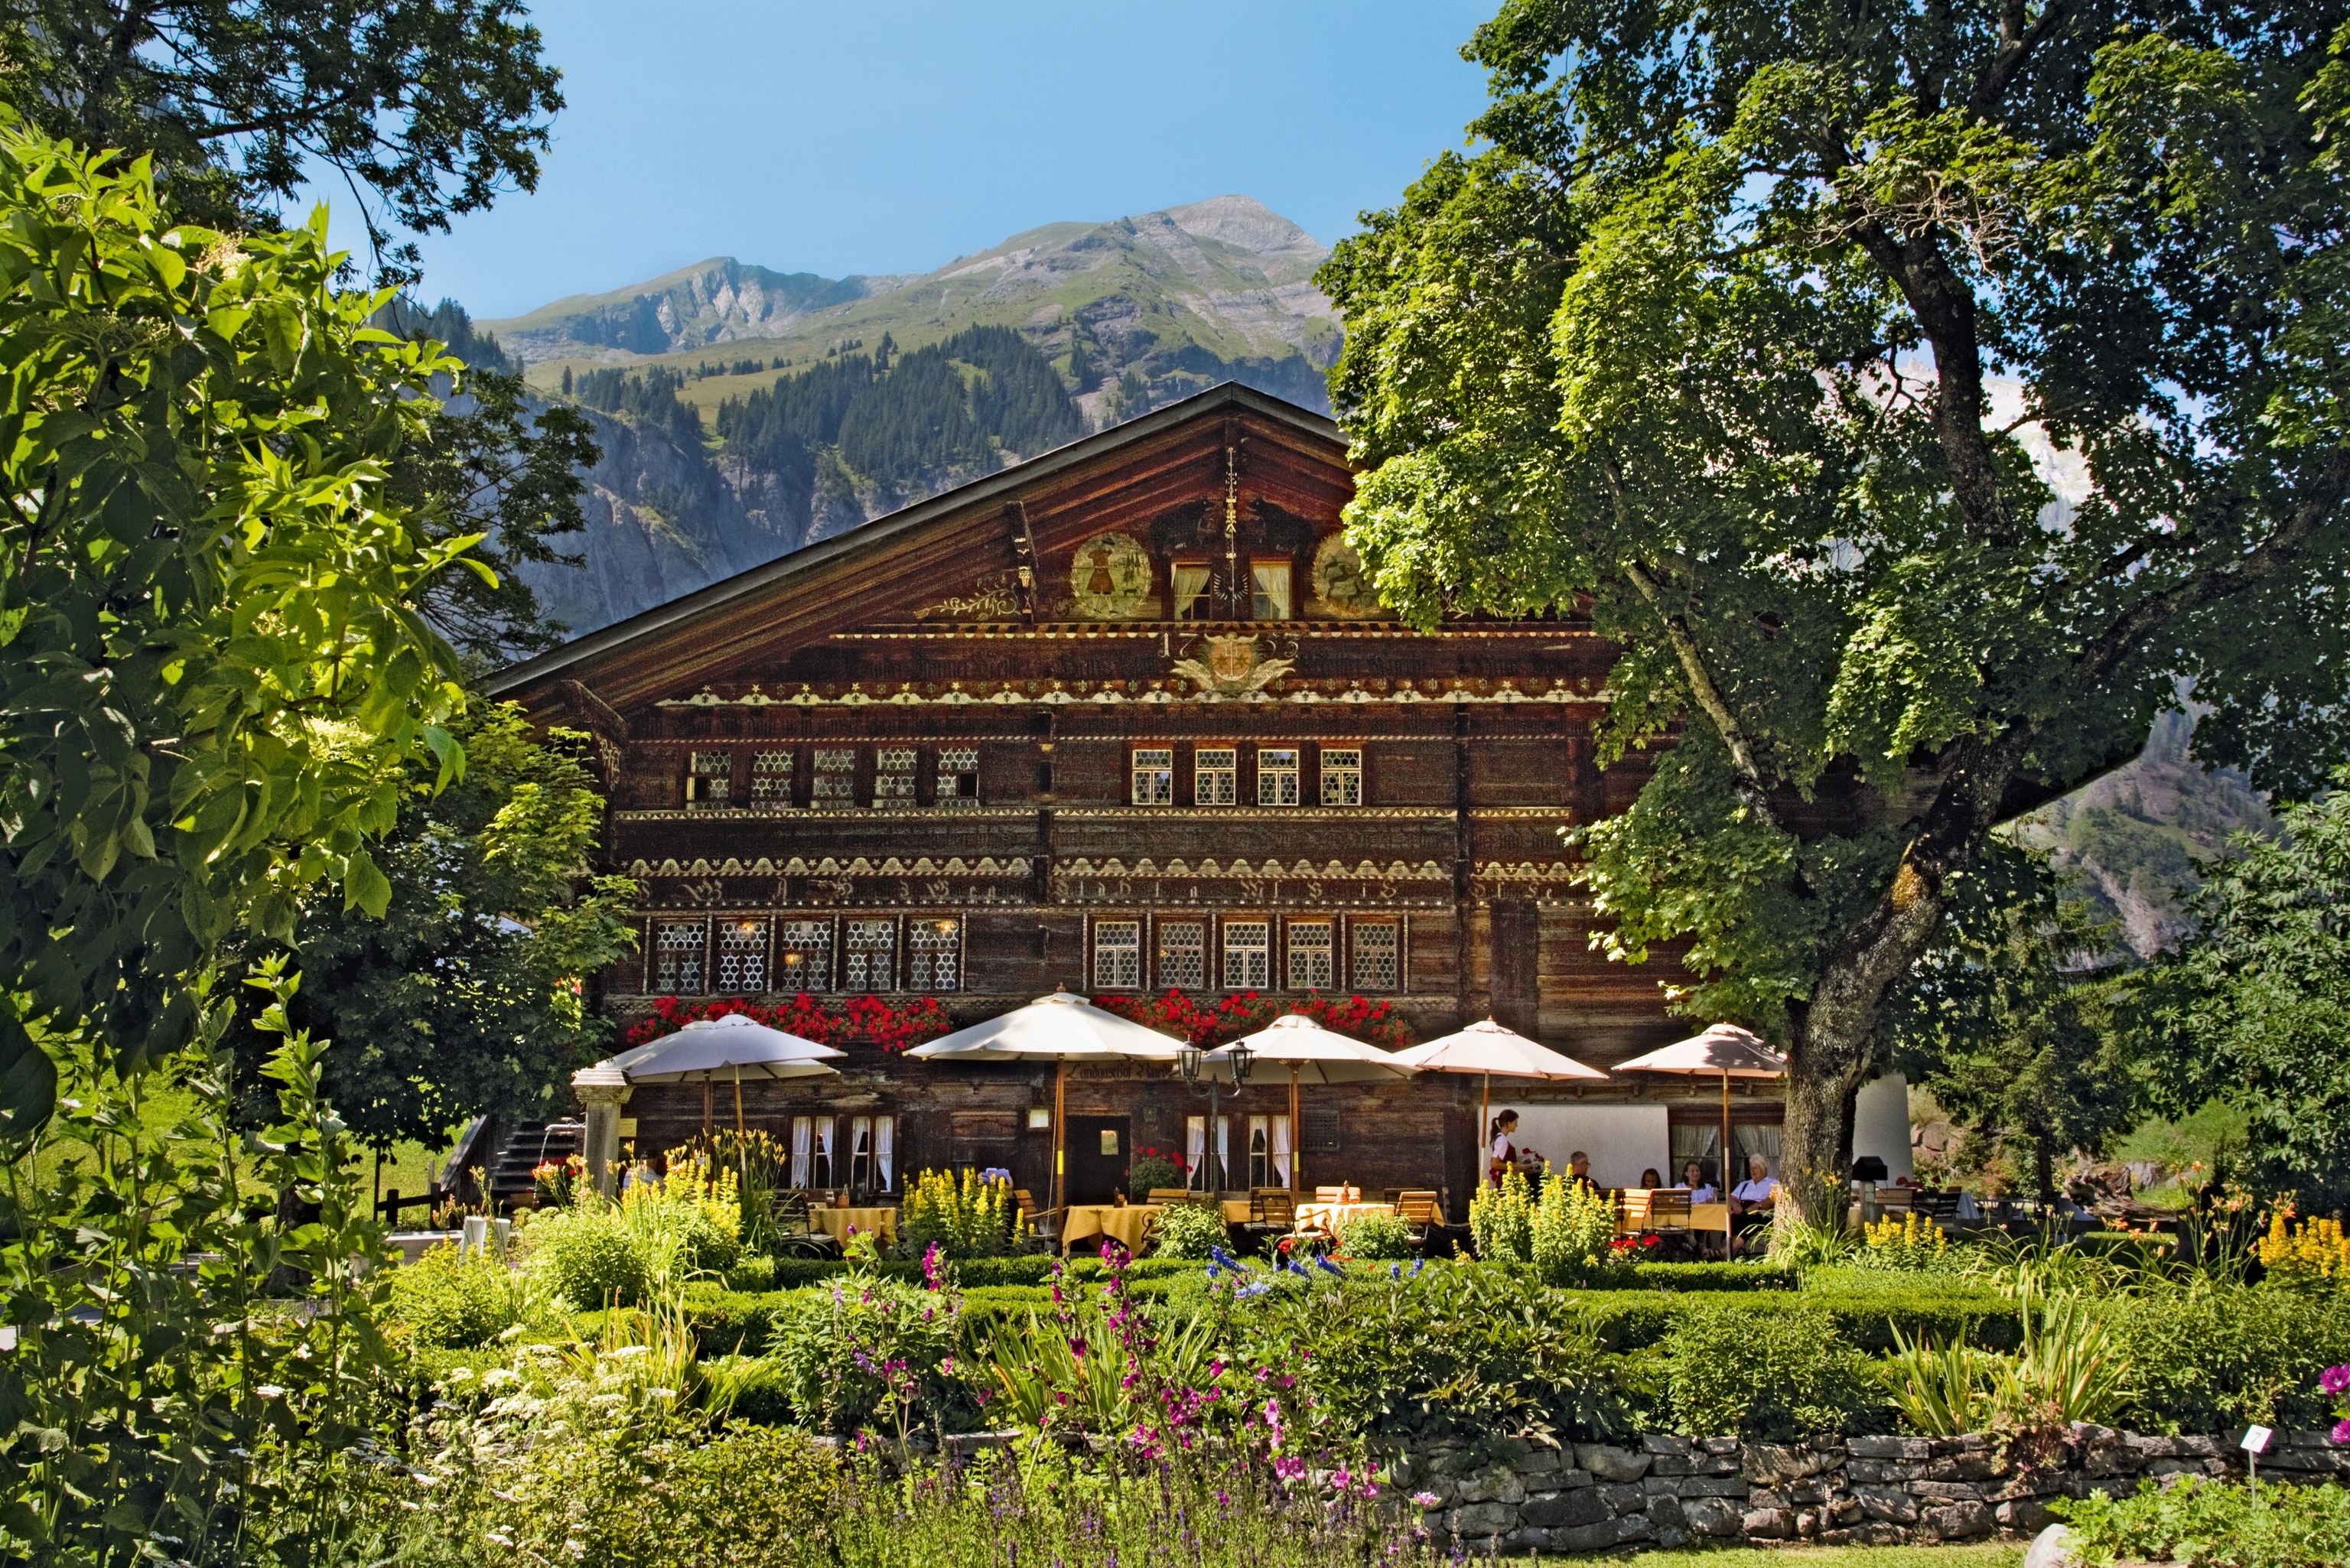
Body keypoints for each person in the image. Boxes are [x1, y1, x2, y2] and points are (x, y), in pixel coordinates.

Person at [1728, 1154, 1779, 1255]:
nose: (1753, 1171)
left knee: (1752, 1222)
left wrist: (1758, 1205)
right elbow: (1731, 1197)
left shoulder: (1773, 1183)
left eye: (1756, 1168)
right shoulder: (1745, 1184)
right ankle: (1723, 1252)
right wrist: (1735, 1204)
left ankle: (1724, 1252)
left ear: (1764, 1169)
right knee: (1729, 1220)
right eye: (1751, 1168)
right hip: (1742, 1212)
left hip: (1760, 1215)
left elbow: (1774, 1199)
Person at [1487, 1110, 1521, 1186]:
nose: (1517, 1125)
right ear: (1508, 1124)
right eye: (1515, 1123)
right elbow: (1495, 1164)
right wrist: (1516, 1166)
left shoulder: (1500, 1138)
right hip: (1505, 1183)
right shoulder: (1502, 1140)